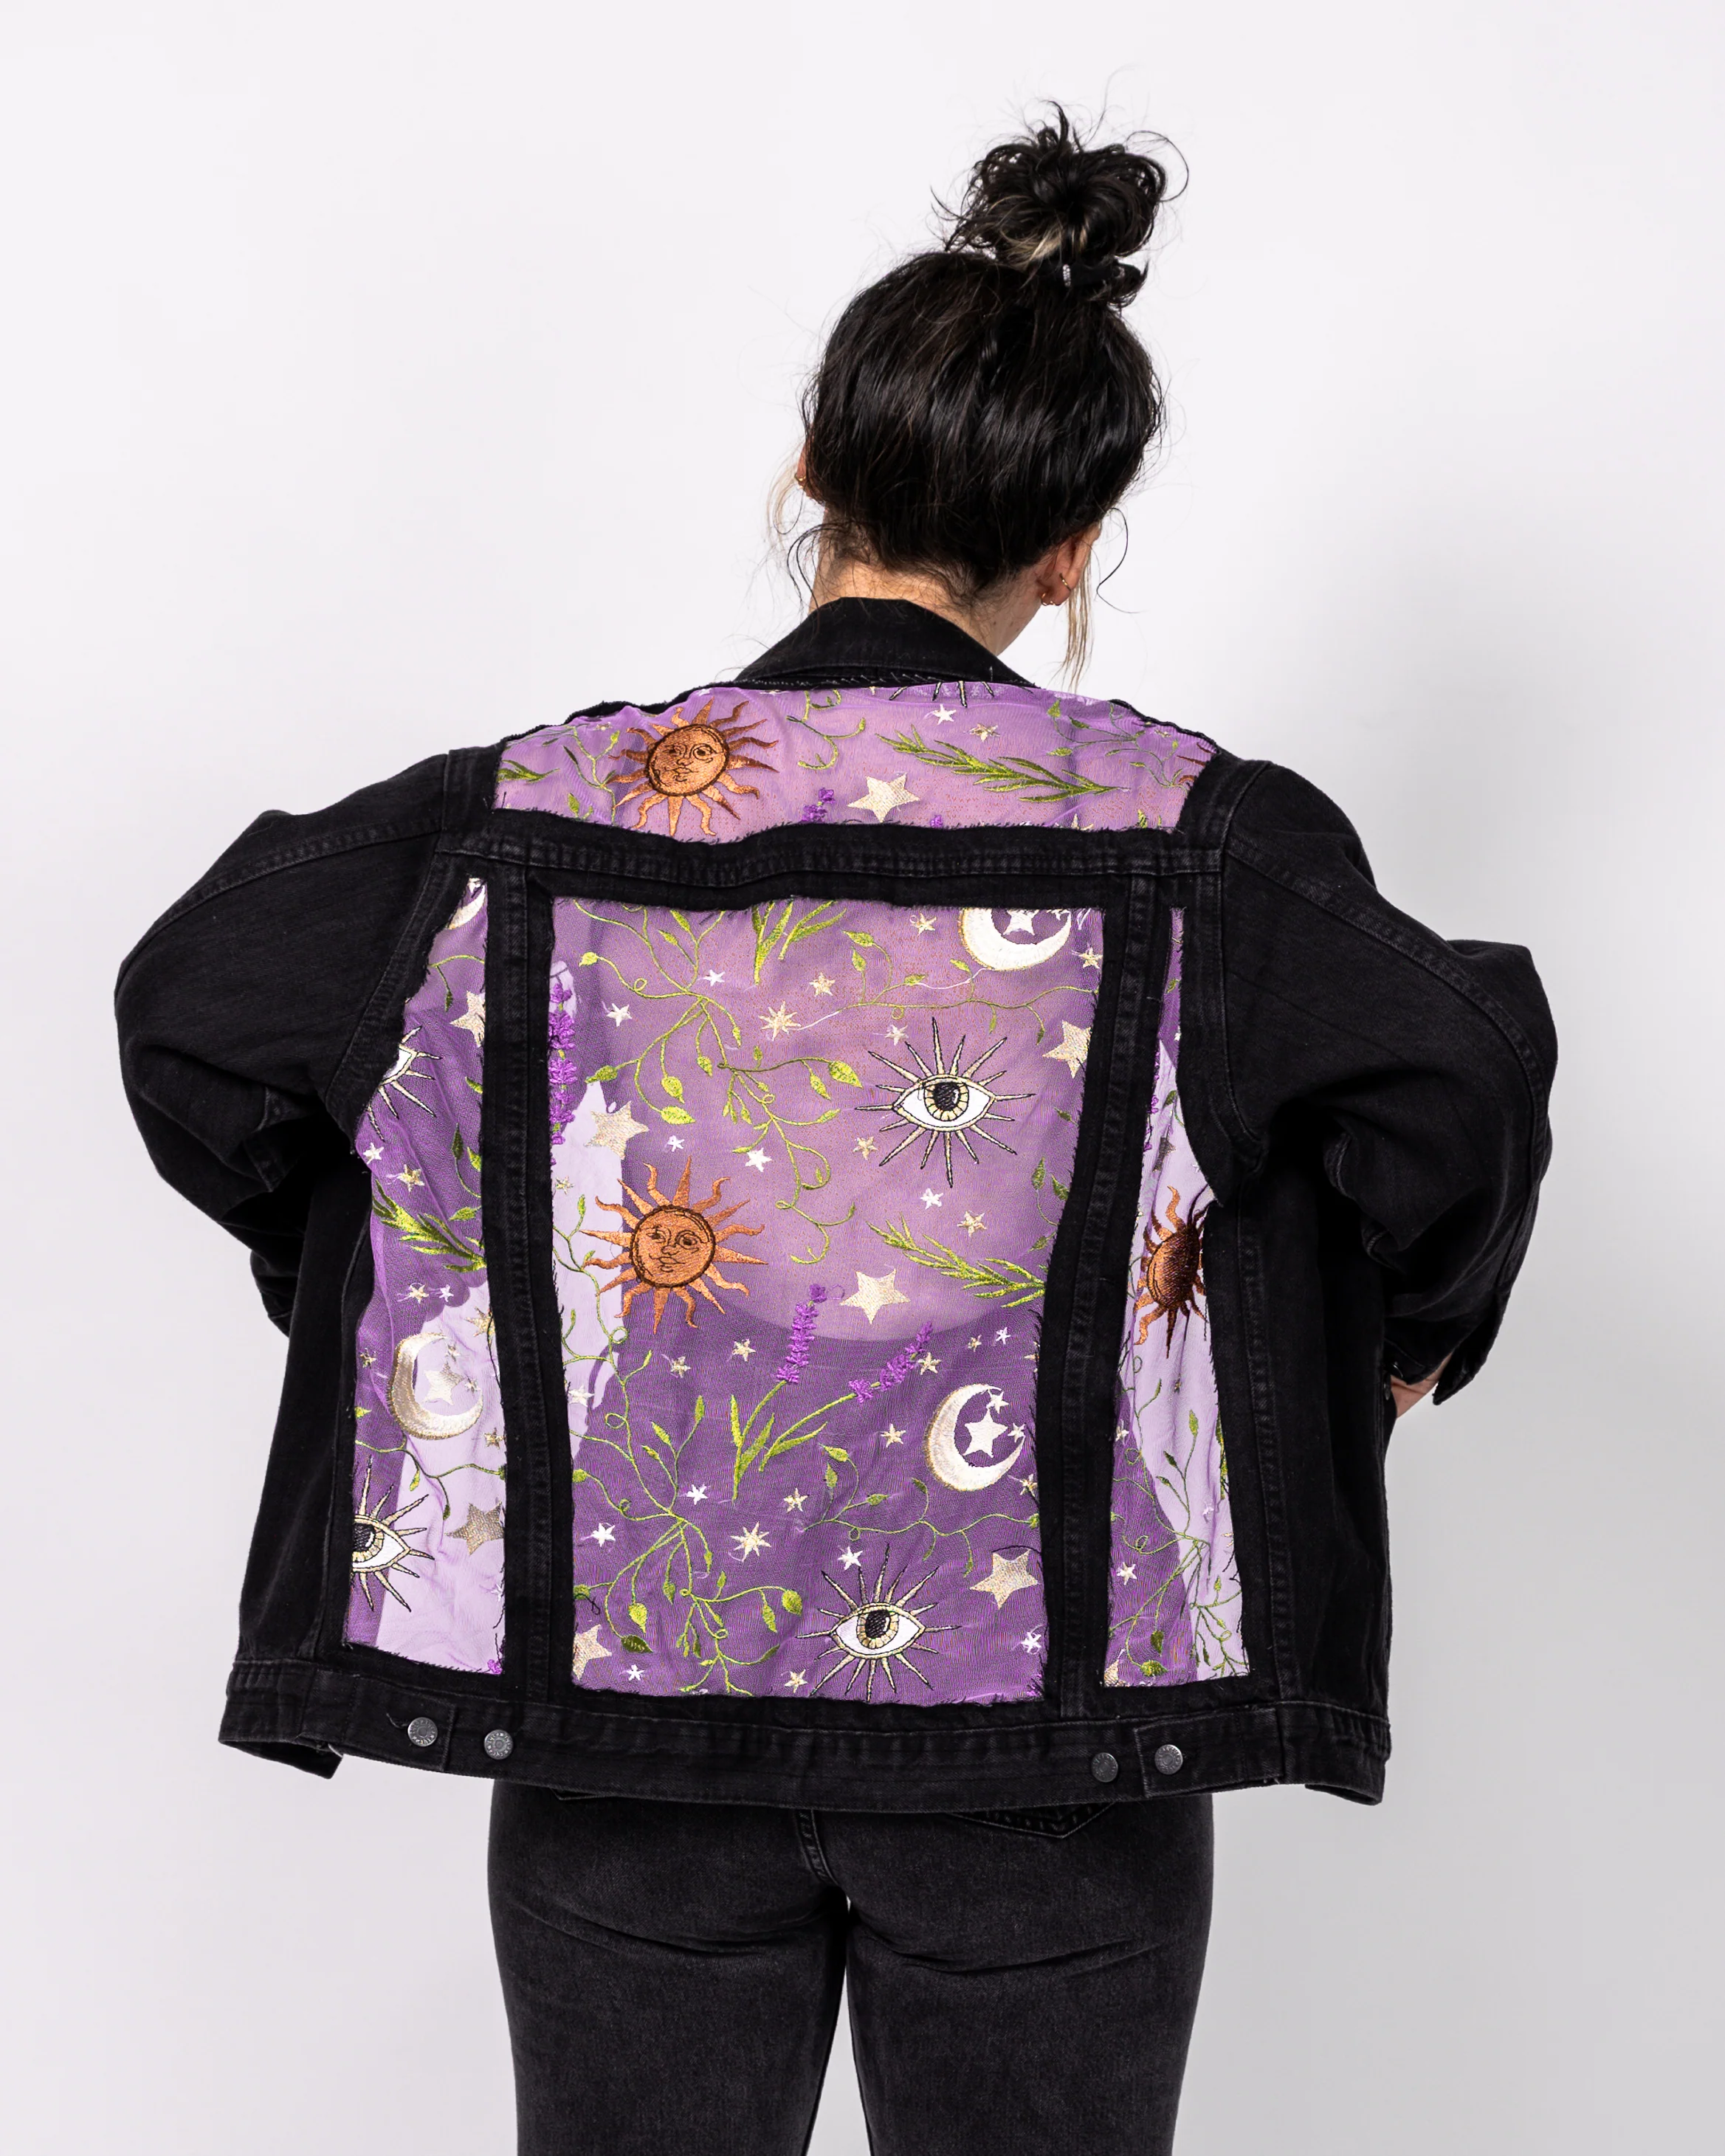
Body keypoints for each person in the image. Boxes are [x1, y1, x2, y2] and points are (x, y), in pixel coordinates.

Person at [116, 109, 1555, 2156]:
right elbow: (1462, 1073)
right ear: (1074, 547)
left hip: (623, 1727)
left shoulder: (532, 813)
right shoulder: (1199, 838)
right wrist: (1399, 1338)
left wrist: (392, 1270)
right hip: (1050, 1754)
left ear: (812, 469)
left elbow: (196, 1006)